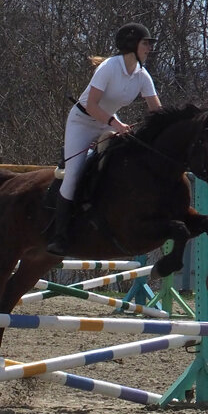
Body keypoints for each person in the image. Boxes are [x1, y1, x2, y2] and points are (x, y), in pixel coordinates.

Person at [47, 22, 164, 256]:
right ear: (131, 45)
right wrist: (116, 124)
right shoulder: (109, 68)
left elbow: (157, 111)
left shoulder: (142, 75)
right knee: (72, 176)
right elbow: (91, 105)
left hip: (108, 121)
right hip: (82, 122)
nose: (149, 48)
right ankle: (59, 237)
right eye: (145, 43)